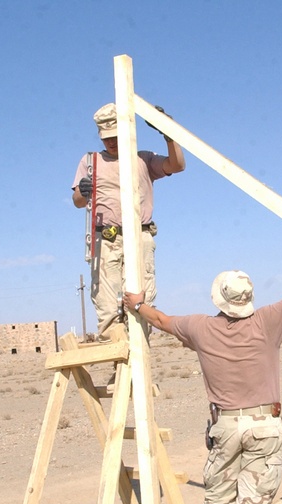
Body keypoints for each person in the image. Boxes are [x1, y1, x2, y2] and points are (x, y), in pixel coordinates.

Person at [123, 215, 282, 504]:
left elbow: (160, 319)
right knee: (253, 502)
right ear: (247, 300)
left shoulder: (199, 328)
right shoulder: (267, 321)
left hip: (224, 427)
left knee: (216, 501)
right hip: (264, 425)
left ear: (218, 299)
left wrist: (138, 304)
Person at [72, 102, 185, 339]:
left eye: (115, 135)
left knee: (142, 303)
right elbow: (77, 201)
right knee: (107, 306)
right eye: (106, 138)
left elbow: (177, 165)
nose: (111, 142)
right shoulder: (91, 161)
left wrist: (169, 134)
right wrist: (83, 191)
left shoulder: (143, 159)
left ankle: (139, 364)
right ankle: (121, 365)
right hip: (106, 240)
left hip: (140, 237)